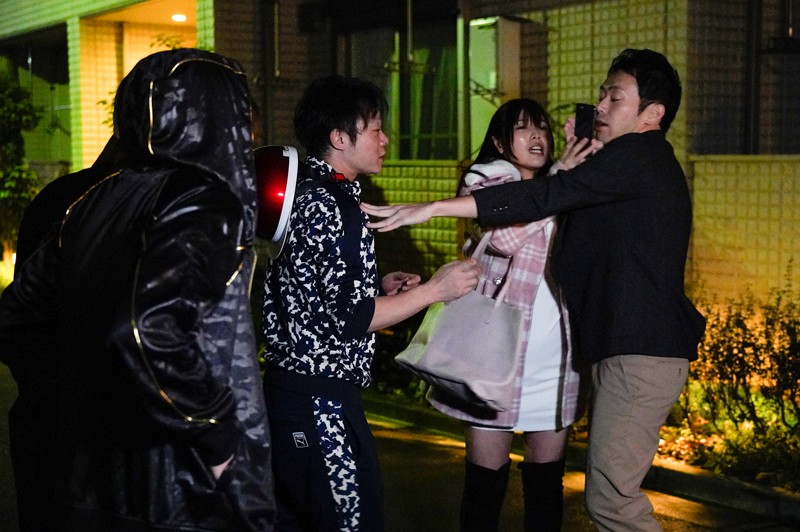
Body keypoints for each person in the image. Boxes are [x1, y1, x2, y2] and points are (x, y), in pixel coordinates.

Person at [362, 48, 707, 531]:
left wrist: (433, 207)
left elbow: (548, 195)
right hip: (612, 350)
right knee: (597, 495)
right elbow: (550, 206)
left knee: (611, 501)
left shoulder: (637, 156)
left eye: (615, 98)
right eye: (602, 95)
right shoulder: (625, 165)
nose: (600, 106)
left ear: (653, 114)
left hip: (636, 353)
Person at [0, 48, 275, 531]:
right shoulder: (203, 199)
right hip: (178, 487)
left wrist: (82, 394)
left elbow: (16, 316)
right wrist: (216, 435)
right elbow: (148, 327)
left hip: (87, 479)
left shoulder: (96, 197)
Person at [261, 74, 480, 531]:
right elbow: (350, 318)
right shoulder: (332, 206)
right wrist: (435, 290)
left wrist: (377, 288)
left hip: (297, 392)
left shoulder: (310, 193)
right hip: (319, 399)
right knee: (349, 521)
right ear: (339, 138)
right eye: (375, 129)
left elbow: (313, 294)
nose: (385, 140)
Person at [430, 98, 594, 532]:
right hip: (495, 355)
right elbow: (504, 239)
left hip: (556, 359)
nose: (537, 136)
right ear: (501, 143)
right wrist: (558, 184)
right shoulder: (483, 181)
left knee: (547, 484)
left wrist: (576, 171)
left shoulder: (564, 184)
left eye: (542, 128)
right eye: (523, 128)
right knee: (485, 486)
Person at [6, 136, 128, 531]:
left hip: (45, 416)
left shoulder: (59, 198)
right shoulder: (122, 206)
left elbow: (15, 320)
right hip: (91, 426)